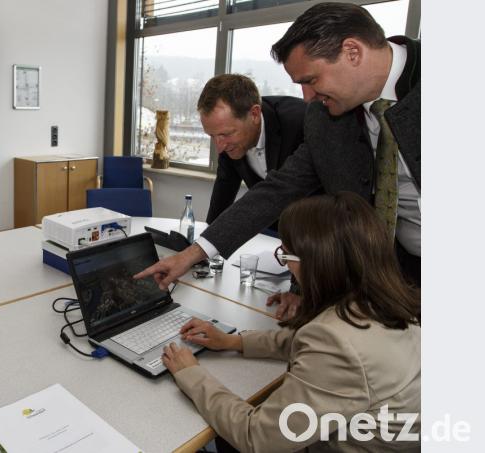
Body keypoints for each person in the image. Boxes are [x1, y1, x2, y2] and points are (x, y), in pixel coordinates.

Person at [135, 2, 421, 319]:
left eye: (311, 80)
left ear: (352, 52)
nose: (307, 97)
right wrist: (192, 253)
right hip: (390, 275)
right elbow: (277, 190)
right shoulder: (324, 117)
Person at [161, 192, 421, 452]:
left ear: (318, 264)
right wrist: (234, 341)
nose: (287, 267)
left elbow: (256, 437)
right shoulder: (391, 303)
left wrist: (191, 374)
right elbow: (312, 340)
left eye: (286, 257)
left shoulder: (336, 342)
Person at [197, 75, 307, 226]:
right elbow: (223, 196)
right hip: (270, 228)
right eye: (212, 136)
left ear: (254, 114)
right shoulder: (226, 141)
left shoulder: (301, 121)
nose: (219, 147)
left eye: (226, 134)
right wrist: (204, 246)